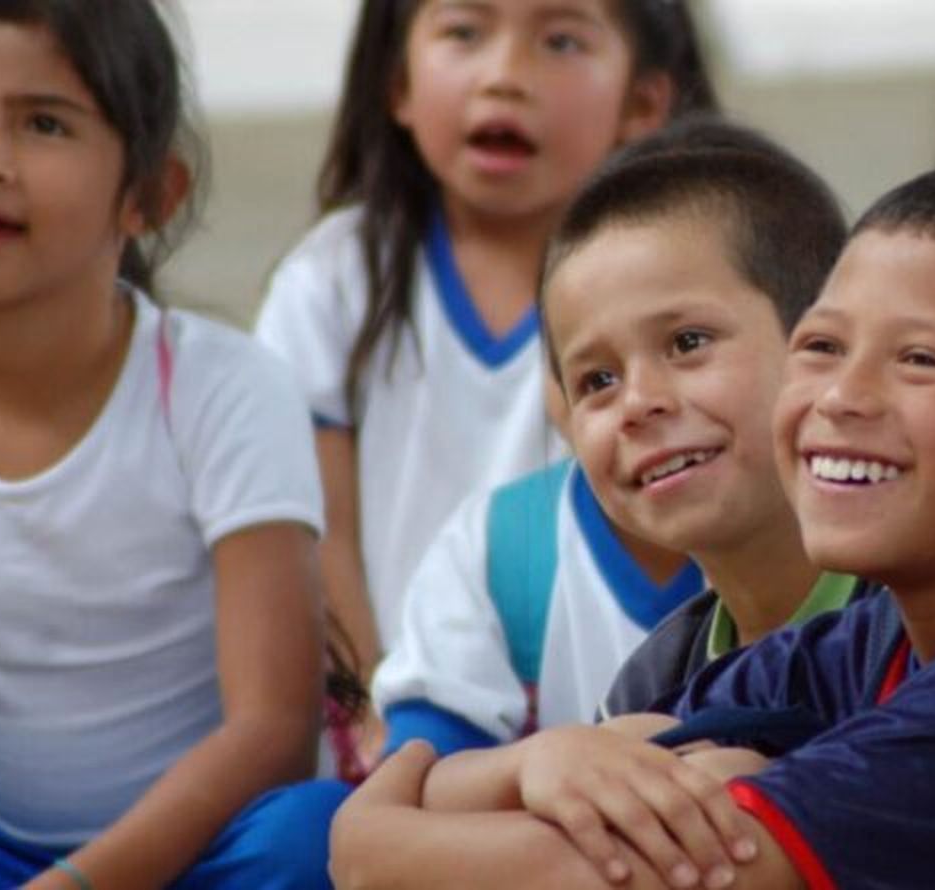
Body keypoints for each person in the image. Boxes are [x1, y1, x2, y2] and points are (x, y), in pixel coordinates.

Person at [329, 164, 935, 890]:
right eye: (823, 348)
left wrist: (362, 842)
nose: (842, 396)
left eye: (919, 359)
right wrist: (539, 761)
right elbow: (544, 770)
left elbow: (599, 877)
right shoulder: (866, 643)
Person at [0, 1, 339, 886]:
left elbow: (275, 730)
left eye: (44, 122)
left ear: (150, 196)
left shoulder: (221, 389)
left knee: (314, 832)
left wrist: (84, 884)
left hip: (212, 856)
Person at [252, 0, 718, 716]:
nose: (505, 76)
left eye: (561, 40)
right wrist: (382, 705)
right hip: (394, 720)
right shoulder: (333, 280)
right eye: (464, 32)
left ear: (643, 101)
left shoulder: (691, 281)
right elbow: (320, 536)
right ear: (398, 83)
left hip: (631, 718)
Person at [371, 118, 859, 761]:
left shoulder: (917, 607)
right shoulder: (651, 685)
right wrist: (540, 768)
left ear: (821, 346)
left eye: (687, 343)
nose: (636, 403)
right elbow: (387, 817)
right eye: (598, 379)